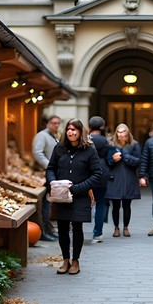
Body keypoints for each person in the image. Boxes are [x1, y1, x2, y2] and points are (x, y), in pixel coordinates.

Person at [45, 118, 103, 275]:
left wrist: (77, 188)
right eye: (69, 129)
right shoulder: (59, 148)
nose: (71, 132)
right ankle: (65, 260)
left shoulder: (89, 150)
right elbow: (51, 168)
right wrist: (53, 183)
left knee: (77, 227)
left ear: (80, 132)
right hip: (60, 196)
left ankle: (75, 260)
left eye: (74, 129)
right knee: (62, 229)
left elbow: (97, 174)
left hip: (80, 195)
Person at [107, 123, 141, 237]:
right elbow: (107, 162)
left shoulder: (134, 145)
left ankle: (126, 227)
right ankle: (116, 228)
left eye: (123, 132)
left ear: (127, 133)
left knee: (127, 204)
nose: (121, 134)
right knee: (115, 206)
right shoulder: (111, 144)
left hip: (129, 178)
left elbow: (137, 161)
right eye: (119, 132)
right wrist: (113, 159)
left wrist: (125, 156)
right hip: (115, 178)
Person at [32, 115, 61, 242]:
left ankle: (47, 229)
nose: (56, 125)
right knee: (46, 203)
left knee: (48, 203)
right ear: (48, 123)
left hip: (53, 172)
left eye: (58, 123)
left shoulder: (54, 135)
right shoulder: (42, 135)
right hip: (48, 172)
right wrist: (49, 165)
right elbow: (38, 152)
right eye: (54, 123)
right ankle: (43, 230)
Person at [88, 116, 111, 242]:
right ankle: (97, 233)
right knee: (101, 202)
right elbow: (108, 157)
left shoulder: (85, 140)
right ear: (102, 127)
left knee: (83, 202)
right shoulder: (104, 141)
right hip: (102, 172)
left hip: (86, 173)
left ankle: (78, 229)